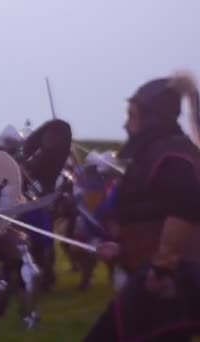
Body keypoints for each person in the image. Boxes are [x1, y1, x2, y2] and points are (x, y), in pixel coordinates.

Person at [86, 72, 200, 341]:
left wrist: (163, 267)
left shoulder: (170, 154)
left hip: (167, 280)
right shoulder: (157, 153)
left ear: (152, 118)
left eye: (132, 116)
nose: (126, 125)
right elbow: (152, 219)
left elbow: (185, 208)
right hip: (158, 275)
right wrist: (122, 249)